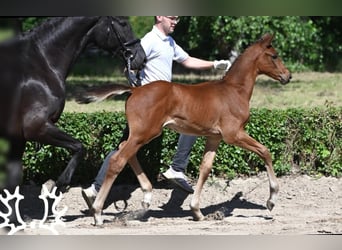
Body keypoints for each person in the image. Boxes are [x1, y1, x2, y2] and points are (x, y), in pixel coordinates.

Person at [82, 16, 231, 209]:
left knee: (189, 126)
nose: (175, 21)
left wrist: (213, 64)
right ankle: (96, 188)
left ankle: (97, 189)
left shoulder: (169, 42)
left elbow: (187, 60)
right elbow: (132, 62)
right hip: (151, 103)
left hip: (165, 102)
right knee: (129, 145)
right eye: (172, 17)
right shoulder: (149, 40)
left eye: (177, 18)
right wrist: (135, 79)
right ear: (160, 17)